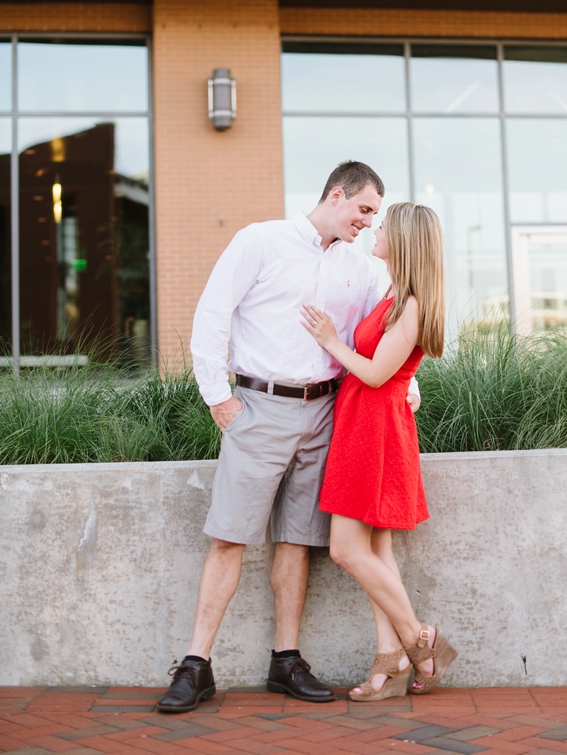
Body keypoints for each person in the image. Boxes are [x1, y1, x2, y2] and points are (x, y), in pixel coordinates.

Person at [157, 161, 419, 714]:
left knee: (297, 541)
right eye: (364, 210)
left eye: (376, 216)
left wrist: (408, 382)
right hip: (258, 407)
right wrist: (218, 398)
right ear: (337, 194)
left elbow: (382, 332)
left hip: (328, 415)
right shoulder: (261, 241)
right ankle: (196, 664)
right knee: (229, 536)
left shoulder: (360, 269)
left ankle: (286, 660)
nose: (369, 224)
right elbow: (213, 313)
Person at [301, 201, 458, 700]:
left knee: (346, 549)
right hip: (362, 423)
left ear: (406, 240)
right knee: (376, 550)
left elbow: (374, 373)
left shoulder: (410, 305)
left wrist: (330, 340)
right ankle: (388, 663)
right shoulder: (394, 294)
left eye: (384, 226)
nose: (376, 229)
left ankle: (419, 638)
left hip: (376, 428)